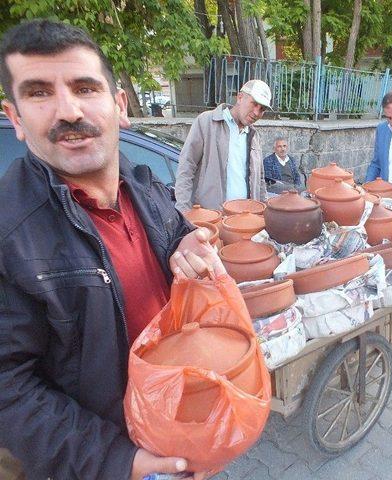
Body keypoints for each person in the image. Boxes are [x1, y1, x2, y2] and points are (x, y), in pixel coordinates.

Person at [0, 20, 223, 479]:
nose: (67, 111)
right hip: (104, 462)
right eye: (39, 93)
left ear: (119, 105)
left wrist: (186, 240)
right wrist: (123, 462)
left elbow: (178, 229)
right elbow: (8, 389)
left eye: (84, 87)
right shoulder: (10, 233)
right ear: (16, 118)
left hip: (175, 425)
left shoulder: (144, 187)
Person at [175, 79, 269, 212]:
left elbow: (260, 179)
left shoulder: (254, 136)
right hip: (210, 219)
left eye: (262, 109)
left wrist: (263, 212)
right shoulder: (207, 122)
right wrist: (184, 211)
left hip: (245, 219)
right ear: (240, 97)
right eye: (254, 104)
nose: (256, 113)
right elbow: (186, 167)